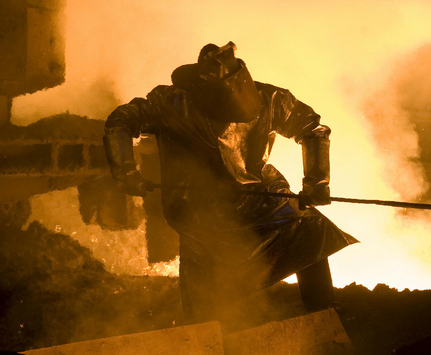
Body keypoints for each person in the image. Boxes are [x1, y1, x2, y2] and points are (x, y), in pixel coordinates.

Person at [103, 42, 358, 323]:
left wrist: (316, 183)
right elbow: (122, 120)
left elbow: (313, 129)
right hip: (200, 206)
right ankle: (207, 333)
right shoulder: (173, 103)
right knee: (205, 284)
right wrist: (125, 169)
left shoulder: (271, 99)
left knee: (309, 228)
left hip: (261, 198)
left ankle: (323, 314)